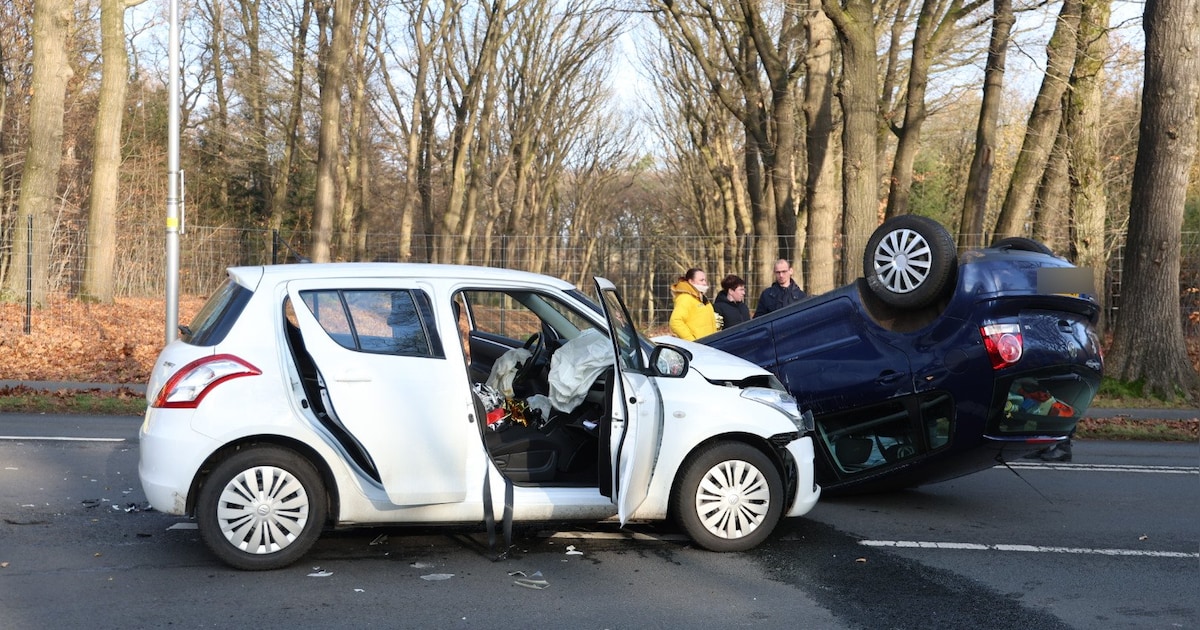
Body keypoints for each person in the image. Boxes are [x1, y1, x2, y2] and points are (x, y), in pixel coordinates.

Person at [669, 268, 716, 341]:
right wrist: (691, 341)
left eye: (705, 280)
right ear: (691, 281)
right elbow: (675, 321)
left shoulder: (701, 298)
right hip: (698, 346)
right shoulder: (685, 298)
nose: (704, 283)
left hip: (708, 344)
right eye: (701, 280)